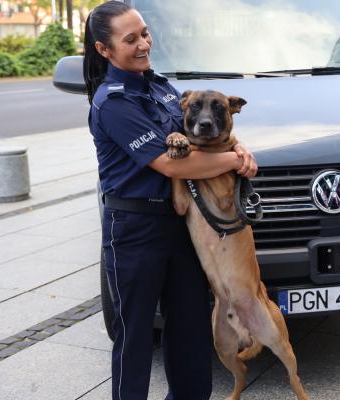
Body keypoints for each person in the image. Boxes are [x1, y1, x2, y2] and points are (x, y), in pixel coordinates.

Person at [83, 2, 257, 399]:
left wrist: (236, 145)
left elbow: (200, 136)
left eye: (144, 32)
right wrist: (235, 159)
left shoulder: (161, 87)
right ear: (104, 50)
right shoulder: (114, 102)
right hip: (134, 232)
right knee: (136, 340)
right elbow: (172, 166)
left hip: (181, 226)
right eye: (131, 39)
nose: (144, 43)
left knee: (191, 333)